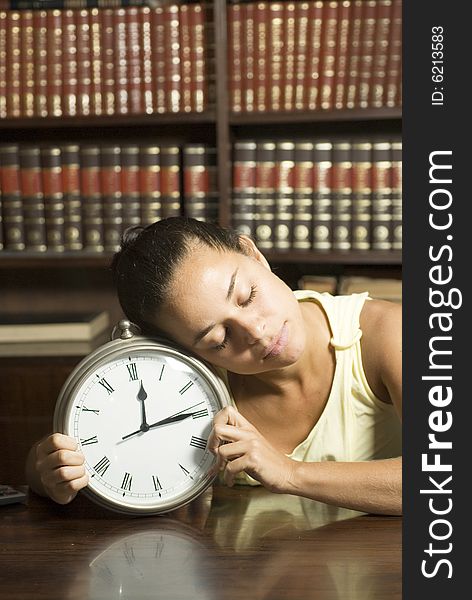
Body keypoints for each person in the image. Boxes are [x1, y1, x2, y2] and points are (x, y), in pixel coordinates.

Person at [26, 217, 402, 514]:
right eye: (218, 339)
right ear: (183, 351)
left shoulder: (390, 331)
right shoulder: (185, 387)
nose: (255, 331)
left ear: (252, 253)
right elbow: (84, 453)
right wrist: (48, 473)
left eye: (246, 295)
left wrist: (289, 473)